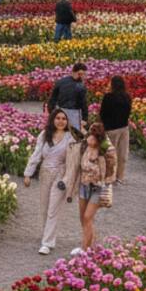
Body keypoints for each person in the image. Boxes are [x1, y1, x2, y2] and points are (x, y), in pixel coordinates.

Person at [23, 108, 78, 256]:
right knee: (45, 207)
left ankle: (47, 243)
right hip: (45, 173)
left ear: (67, 122)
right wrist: (28, 173)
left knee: (54, 208)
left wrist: (68, 181)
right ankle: (46, 234)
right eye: (58, 118)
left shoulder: (70, 139)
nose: (61, 121)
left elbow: (72, 162)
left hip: (60, 175)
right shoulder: (44, 135)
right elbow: (36, 154)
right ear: (53, 119)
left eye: (64, 119)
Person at [64, 120, 117, 256]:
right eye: (89, 135)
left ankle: (84, 249)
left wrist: (107, 182)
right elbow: (75, 134)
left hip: (97, 187)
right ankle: (91, 244)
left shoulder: (106, 148)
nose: (90, 139)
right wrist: (77, 124)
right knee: (83, 218)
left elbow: (112, 168)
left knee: (88, 217)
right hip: (84, 184)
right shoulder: (85, 144)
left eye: (93, 136)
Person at [98, 75, 131, 186]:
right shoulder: (127, 97)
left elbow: (103, 113)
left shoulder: (108, 97)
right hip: (124, 128)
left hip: (111, 129)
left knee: (110, 154)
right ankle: (120, 177)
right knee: (122, 154)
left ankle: (109, 176)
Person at [47, 62, 88, 135]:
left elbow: (52, 99)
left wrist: (51, 113)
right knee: (77, 135)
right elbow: (83, 104)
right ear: (73, 72)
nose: (81, 76)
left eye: (83, 74)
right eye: (80, 74)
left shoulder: (61, 81)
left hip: (61, 113)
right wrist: (85, 119)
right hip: (72, 114)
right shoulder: (80, 85)